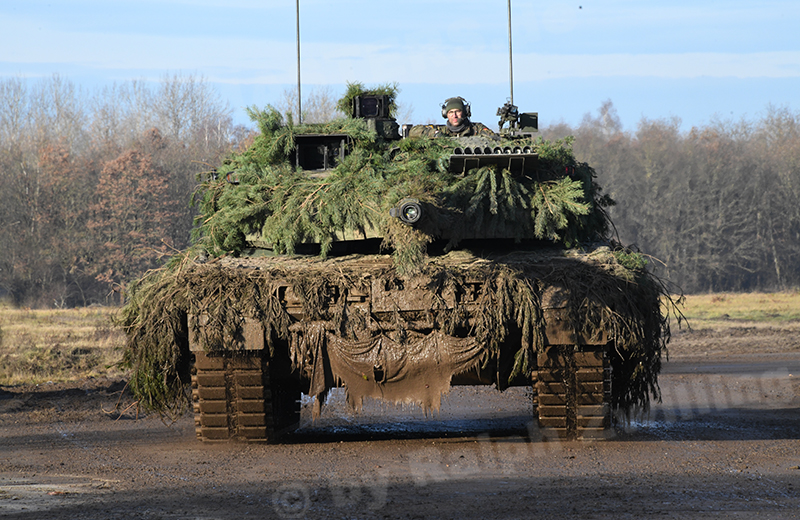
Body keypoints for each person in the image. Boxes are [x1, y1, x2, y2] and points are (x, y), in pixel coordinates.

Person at [409, 97, 497, 138]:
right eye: (450, 112)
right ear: (445, 114)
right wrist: (435, 134)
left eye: (458, 111)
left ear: (465, 112)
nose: (454, 115)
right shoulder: (441, 130)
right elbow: (414, 131)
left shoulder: (476, 129)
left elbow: (493, 137)